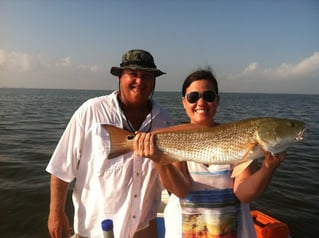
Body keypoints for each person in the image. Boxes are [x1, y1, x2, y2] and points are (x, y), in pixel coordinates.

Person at [134, 68, 286, 238]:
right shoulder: (174, 137)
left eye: (208, 96)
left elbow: (244, 194)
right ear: (184, 102)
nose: (201, 102)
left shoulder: (240, 136)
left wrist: (268, 168)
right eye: (193, 97)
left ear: (217, 101)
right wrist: (158, 158)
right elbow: (181, 191)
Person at [46, 49, 175, 238]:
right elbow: (61, 167)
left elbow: (171, 177)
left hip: (144, 228)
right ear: (120, 78)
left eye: (147, 76)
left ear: (154, 81)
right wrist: (56, 213)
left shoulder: (165, 120)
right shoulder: (91, 111)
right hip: (95, 230)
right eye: (133, 74)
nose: (140, 81)